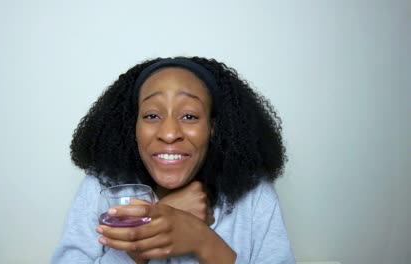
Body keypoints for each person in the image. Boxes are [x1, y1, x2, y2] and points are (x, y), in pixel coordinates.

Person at [51, 57, 295, 264]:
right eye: (152, 115)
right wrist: (148, 232)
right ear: (132, 127)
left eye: (189, 116)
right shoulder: (100, 188)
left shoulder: (254, 196)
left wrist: (204, 241)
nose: (169, 134)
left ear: (213, 127)